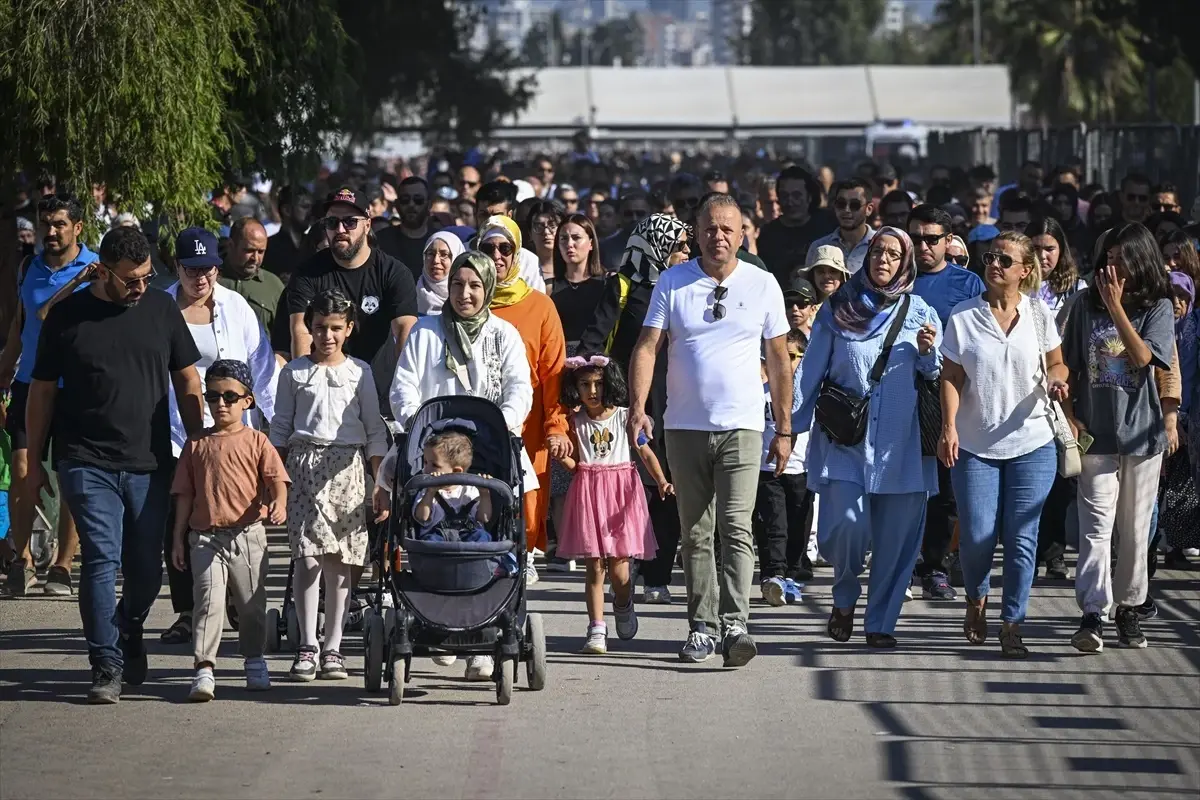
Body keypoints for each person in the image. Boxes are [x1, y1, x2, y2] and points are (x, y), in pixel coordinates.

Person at [27, 225, 204, 703]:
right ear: (103, 271)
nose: (140, 287)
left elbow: (188, 380)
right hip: (85, 458)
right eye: (130, 280)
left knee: (146, 569)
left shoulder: (161, 309)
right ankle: (105, 664)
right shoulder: (67, 316)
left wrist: (197, 445)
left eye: (146, 277)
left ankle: (129, 624)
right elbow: (42, 391)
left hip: (149, 460)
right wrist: (35, 460)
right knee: (102, 558)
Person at [629, 194, 793, 667]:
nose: (718, 236)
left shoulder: (762, 283)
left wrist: (784, 428)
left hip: (743, 425)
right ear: (696, 233)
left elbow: (778, 357)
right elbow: (648, 346)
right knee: (696, 532)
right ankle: (702, 627)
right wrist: (638, 408)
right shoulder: (673, 281)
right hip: (684, 426)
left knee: (736, 526)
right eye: (709, 228)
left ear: (742, 235)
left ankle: (736, 624)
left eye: (727, 228)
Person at [793, 227, 942, 648]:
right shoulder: (838, 307)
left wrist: (928, 353)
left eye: (894, 255)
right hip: (847, 441)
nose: (884, 260)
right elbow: (810, 370)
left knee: (896, 544)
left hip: (902, 445)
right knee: (845, 528)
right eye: (878, 252)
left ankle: (880, 624)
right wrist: (788, 429)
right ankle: (844, 596)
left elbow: (935, 373)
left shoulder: (921, 311)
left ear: (905, 263)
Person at [389, 251, 533, 681]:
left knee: (496, 529)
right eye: (457, 284)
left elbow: (519, 388)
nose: (465, 293)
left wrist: (500, 426)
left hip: (487, 450)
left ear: (488, 288)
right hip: (431, 448)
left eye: (474, 285)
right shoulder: (426, 331)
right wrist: (420, 425)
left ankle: (484, 640)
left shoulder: (503, 334)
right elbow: (403, 387)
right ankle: (432, 621)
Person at [938, 232, 1065, 658]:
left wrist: (1058, 378)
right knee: (977, 534)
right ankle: (976, 597)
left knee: (1022, 537)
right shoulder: (963, 315)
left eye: (1005, 260)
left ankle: (1013, 623)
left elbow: (1057, 362)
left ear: (1025, 271)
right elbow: (951, 376)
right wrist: (949, 427)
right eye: (991, 257)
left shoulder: (1039, 314)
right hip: (975, 443)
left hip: (1033, 440)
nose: (994, 264)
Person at [159, 227, 279, 647]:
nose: (201, 277)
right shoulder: (160, 307)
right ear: (177, 267)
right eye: (192, 270)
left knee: (234, 514)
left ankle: (233, 596)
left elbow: (262, 368)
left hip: (231, 436)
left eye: (208, 268)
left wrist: (276, 427)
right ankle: (187, 610)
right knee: (180, 517)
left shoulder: (236, 306)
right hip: (176, 434)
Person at [1062, 223, 1174, 652]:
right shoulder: (1083, 303)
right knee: (1095, 527)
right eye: (1107, 257)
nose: (1111, 266)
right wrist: (1070, 416)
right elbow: (1069, 365)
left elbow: (1144, 358)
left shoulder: (1158, 305)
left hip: (1142, 436)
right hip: (1096, 435)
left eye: (1121, 257)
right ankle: (1093, 612)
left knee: (1134, 529)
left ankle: (1129, 607)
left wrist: (1116, 307)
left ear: (1140, 259)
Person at [270, 290, 388, 682]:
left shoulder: (360, 372)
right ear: (309, 328)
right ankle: (308, 643)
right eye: (320, 327)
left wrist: (379, 482)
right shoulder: (294, 373)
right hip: (303, 468)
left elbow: (374, 430)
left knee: (340, 563)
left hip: (347, 470)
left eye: (336, 328)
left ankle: (333, 646)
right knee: (307, 558)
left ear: (349, 328)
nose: (327, 336)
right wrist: (272, 479)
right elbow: (281, 427)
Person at [578, 213, 691, 604]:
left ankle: (657, 576)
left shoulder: (685, 287)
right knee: (626, 489)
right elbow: (594, 342)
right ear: (656, 247)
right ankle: (623, 565)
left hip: (676, 402)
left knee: (666, 487)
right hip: (627, 406)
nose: (687, 252)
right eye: (678, 246)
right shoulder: (623, 286)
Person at [169, 359, 289, 701]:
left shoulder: (257, 441)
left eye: (230, 397)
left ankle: (254, 658)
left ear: (247, 401)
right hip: (205, 538)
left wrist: (279, 502)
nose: (220, 403)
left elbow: (276, 480)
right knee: (208, 601)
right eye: (213, 396)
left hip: (247, 536)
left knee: (251, 605)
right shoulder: (196, 444)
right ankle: (204, 668)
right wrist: (178, 538)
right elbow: (184, 494)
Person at [0, 192, 98, 597]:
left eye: (60, 224)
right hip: (29, 384)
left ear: (78, 227)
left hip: (74, 386)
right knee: (22, 469)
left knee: (72, 475)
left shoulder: (95, 269)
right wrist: (3, 376)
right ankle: (21, 560)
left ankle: (62, 565)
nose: (51, 231)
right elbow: (20, 326)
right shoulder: (29, 267)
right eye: (46, 224)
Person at [554, 354, 668, 654]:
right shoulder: (574, 421)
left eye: (599, 384)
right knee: (594, 567)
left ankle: (623, 602)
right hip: (588, 493)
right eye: (585, 384)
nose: (592, 391)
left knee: (619, 571)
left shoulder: (625, 417)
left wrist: (661, 480)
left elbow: (644, 452)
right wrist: (561, 456)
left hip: (621, 496)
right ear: (575, 387)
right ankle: (596, 628)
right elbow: (576, 465)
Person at [480, 216, 569, 585]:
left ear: (517, 254)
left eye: (505, 248)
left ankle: (526, 552)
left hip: (529, 420)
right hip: (479, 416)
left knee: (529, 492)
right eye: (487, 248)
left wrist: (556, 425)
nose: (497, 256)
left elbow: (554, 373)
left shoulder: (540, 306)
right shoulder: (468, 301)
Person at [286, 187, 418, 405]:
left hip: (380, 384)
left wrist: (402, 395)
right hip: (324, 382)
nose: (340, 229)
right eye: (332, 222)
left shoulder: (394, 272)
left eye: (350, 222)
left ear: (367, 225)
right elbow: (301, 331)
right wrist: (307, 391)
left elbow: (405, 334)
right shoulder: (307, 273)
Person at [755, 329, 811, 606]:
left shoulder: (810, 395)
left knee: (799, 527)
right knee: (773, 526)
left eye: (791, 356)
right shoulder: (761, 393)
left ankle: (792, 577)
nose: (784, 363)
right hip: (767, 470)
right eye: (777, 356)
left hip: (802, 470)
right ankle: (773, 576)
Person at [757, 166, 836, 286]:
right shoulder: (768, 235)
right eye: (784, 196)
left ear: (809, 197)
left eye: (797, 195)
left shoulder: (829, 224)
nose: (790, 202)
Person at [408, 431, 493, 542]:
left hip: (468, 535)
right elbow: (422, 517)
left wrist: (484, 494)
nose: (426, 469)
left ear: (456, 471)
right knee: (430, 540)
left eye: (434, 465)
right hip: (437, 536)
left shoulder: (470, 490)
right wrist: (430, 493)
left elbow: (484, 518)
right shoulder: (426, 490)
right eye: (425, 462)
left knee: (482, 536)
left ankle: (476, 552)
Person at [219, 218, 285, 335]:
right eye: (249, 250)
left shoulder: (274, 286)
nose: (255, 258)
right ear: (231, 245)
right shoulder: (209, 279)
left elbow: (285, 335)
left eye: (261, 252)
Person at [805, 178, 878, 274]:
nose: (846, 210)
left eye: (855, 205)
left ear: (869, 209)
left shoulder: (881, 245)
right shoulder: (818, 246)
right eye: (841, 204)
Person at [375, 176, 435, 283]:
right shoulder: (380, 240)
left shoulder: (439, 240)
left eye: (418, 200)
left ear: (429, 205)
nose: (411, 205)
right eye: (405, 200)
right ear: (397, 204)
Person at [262, 185, 313, 282]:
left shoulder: (314, 245)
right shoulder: (268, 248)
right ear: (287, 210)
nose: (310, 212)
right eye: (305, 207)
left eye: (311, 207)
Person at [415, 231, 466, 316]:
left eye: (444, 254)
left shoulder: (467, 299)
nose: (436, 260)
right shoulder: (409, 298)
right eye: (431, 253)